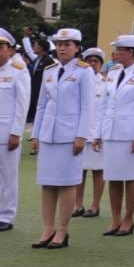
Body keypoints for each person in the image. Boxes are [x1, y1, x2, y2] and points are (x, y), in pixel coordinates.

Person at [32, 28, 96, 249]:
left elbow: (88, 106)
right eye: (59, 44)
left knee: (67, 183)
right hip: (48, 134)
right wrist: (36, 134)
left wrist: (82, 135)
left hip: (70, 135)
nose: (62, 48)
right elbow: (41, 105)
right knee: (47, 183)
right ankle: (47, 228)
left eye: (67, 44)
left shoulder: (84, 71)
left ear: (77, 48)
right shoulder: (50, 70)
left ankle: (62, 230)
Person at [94, 33, 134, 238]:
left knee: (132, 176)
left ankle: (129, 218)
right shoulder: (114, 71)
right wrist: (98, 133)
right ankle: (115, 218)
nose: (115, 53)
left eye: (119, 50)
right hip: (111, 131)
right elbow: (104, 105)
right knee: (113, 176)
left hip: (130, 132)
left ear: (130, 52)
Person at [0, 29, 31, 231]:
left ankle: (7, 216)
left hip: (6, 133)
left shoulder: (19, 71)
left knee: (8, 177)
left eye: (0, 47)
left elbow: (22, 105)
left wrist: (16, 133)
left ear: (10, 50)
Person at [74, 45, 107, 220]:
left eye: (96, 61)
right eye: (90, 61)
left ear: (101, 64)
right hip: (81, 132)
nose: (93, 64)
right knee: (79, 170)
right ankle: (78, 204)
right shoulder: (78, 80)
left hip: (98, 133)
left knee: (98, 171)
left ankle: (95, 205)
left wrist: (101, 133)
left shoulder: (107, 82)